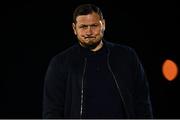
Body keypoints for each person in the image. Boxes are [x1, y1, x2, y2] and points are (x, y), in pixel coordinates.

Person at [42, 3, 153, 119]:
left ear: (103, 25)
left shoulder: (127, 56)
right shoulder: (60, 62)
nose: (89, 32)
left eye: (94, 26)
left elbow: (142, 102)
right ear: (74, 29)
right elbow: (52, 110)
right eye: (83, 27)